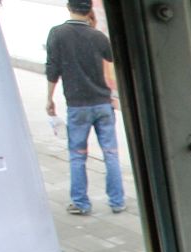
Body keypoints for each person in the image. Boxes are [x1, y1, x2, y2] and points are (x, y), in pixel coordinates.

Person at [45, 0, 125, 216]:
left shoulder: (58, 34)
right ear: (89, 10)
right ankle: (117, 201)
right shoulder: (97, 36)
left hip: (77, 106)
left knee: (78, 156)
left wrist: (49, 99)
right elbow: (114, 57)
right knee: (111, 154)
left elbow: (52, 68)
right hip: (103, 103)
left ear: (69, 7)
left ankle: (81, 203)